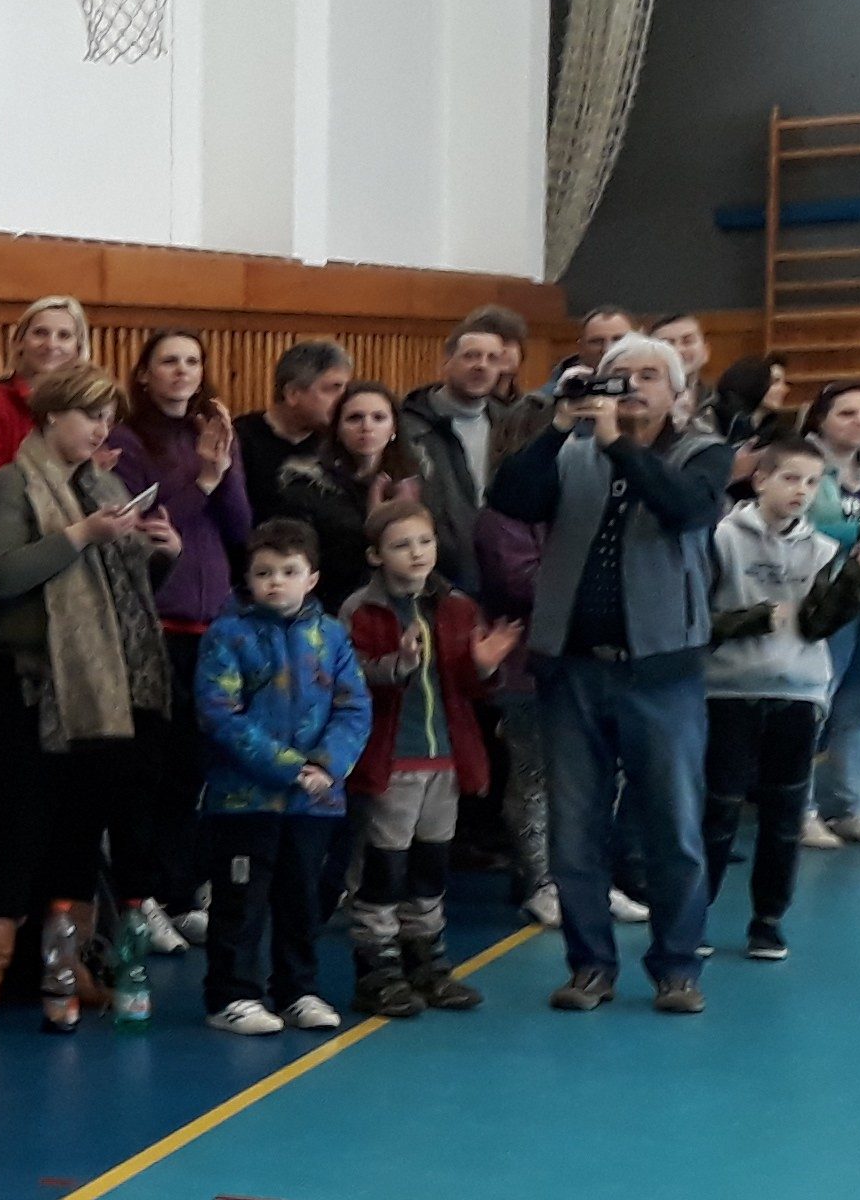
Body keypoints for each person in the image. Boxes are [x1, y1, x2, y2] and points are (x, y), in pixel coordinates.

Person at [488, 333, 730, 1015]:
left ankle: (677, 966)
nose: (633, 386)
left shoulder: (702, 452)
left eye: (650, 376)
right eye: (620, 374)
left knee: (673, 826)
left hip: (662, 670)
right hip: (572, 668)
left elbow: (685, 507)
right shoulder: (572, 450)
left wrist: (619, 444)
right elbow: (510, 498)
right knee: (574, 828)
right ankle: (590, 965)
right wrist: (558, 426)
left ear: (677, 394)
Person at [0, 364, 175, 1033]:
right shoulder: (11, 483)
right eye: (89, 416)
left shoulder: (104, 485)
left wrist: (159, 554)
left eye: (108, 418)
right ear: (51, 415)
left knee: (77, 833)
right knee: (9, 832)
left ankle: (66, 965)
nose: (101, 430)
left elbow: (123, 596)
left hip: (99, 689)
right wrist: (81, 536)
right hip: (29, 685)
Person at [110, 329, 259, 957]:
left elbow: (240, 527)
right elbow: (152, 523)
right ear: (145, 374)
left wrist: (221, 471)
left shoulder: (214, 435)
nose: (182, 371)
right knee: (152, 767)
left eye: (192, 361)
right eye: (168, 361)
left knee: (194, 770)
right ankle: (139, 896)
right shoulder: (127, 439)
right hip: (159, 621)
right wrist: (201, 478)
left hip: (213, 624)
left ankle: (178, 892)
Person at [190, 520, 371, 1035]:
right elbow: (220, 713)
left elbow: (354, 707)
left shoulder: (332, 636)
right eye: (264, 572)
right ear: (247, 578)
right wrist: (291, 767)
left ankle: (297, 990)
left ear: (311, 578)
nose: (275, 582)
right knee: (240, 902)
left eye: (289, 572)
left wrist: (327, 765)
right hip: (244, 800)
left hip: (315, 802)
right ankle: (232, 995)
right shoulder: (228, 635)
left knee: (303, 899)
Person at [341, 500, 508, 1018]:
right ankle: (377, 968)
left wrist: (484, 667)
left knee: (432, 866)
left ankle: (427, 962)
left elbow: (470, 688)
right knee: (384, 867)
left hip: (446, 761)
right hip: (391, 760)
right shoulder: (361, 611)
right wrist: (400, 664)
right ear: (375, 555)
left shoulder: (458, 607)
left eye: (425, 542)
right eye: (401, 545)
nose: (416, 553)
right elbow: (348, 677)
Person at [702, 437, 839, 960]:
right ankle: (694, 916)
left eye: (812, 482)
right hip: (729, 690)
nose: (801, 491)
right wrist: (754, 619)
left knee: (784, 815)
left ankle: (768, 921)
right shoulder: (721, 539)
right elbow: (698, 620)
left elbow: (821, 624)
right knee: (718, 811)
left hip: (798, 692)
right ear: (760, 480)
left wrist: (856, 581)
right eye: (790, 478)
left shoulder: (824, 550)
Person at [396, 305, 532, 566]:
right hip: (432, 567)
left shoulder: (511, 427)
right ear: (447, 361)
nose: (482, 365)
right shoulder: (408, 426)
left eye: (492, 359)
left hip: (500, 567)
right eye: (471, 356)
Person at [278, 381, 433, 608]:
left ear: (394, 428)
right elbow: (302, 555)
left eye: (378, 418)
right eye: (354, 418)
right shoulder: (307, 485)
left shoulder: (418, 479)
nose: (366, 426)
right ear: (337, 429)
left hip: (409, 601)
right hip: (333, 602)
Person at [800, 379, 860, 845]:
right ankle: (799, 808)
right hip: (824, 599)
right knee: (815, 703)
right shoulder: (805, 466)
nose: (859, 423)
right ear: (821, 419)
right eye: (847, 413)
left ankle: (851, 806)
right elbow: (810, 523)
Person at [0, 295, 91, 508]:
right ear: (19, 342)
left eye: (64, 336)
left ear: (79, 348)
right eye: (40, 333)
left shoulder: (89, 407)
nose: (51, 344)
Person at [240, 340, 353, 518]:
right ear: (292, 394)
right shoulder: (241, 438)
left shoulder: (343, 439)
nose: (344, 399)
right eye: (332, 389)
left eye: (346, 389)